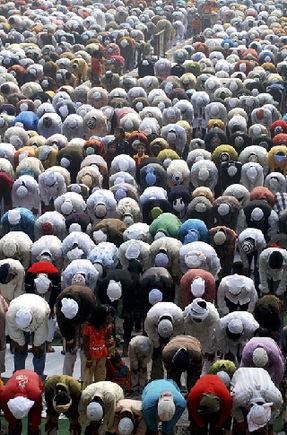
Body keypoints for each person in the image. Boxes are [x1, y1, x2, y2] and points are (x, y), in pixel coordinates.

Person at [55, 285, 97, 377]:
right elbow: (62, 324)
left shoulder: (88, 300)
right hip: (68, 324)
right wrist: (69, 339)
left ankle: (84, 379)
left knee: (84, 351)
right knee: (69, 351)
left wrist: (85, 337)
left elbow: (93, 317)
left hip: (85, 321)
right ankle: (66, 378)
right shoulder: (60, 303)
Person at [6, 293, 50, 378]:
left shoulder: (41, 314)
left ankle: (38, 376)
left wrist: (37, 345)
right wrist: (21, 343)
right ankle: (18, 375)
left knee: (39, 351)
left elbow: (41, 333)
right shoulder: (10, 315)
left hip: (39, 307)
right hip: (21, 304)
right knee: (19, 349)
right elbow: (13, 331)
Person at [231, 367, 282, 435]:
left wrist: (264, 423)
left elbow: (274, 410)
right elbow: (232, 407)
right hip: (242, 373)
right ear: (249, 409)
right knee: (239, 425)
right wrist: (240, 420)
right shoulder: (238, 397)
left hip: (262, 373)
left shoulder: (276, 399)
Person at [144, 301, 185, 380]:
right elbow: (150, 332)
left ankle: (172, 379)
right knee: (157, 355)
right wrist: (157, 345)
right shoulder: (151, 317)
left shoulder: (180, 317)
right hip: (156, 330)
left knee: (172, 354)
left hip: (173, 332)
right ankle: (156, 378)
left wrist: (170, 344)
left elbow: (178, 334)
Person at [1, 369, 42, 435]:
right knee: (13, 426)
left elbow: (37, 412)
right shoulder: (5, 396)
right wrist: (12, 422)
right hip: (17, 375)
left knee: (34, 425)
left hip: (33, 376)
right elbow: (7, 412)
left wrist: (34, 425)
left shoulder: (36, 395)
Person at [184, 298, 220, 374]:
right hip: (192, 335)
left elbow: (212, 336)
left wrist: (210, 351)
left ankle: (209, 380)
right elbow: (185, 331)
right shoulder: (186, 312)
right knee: (190, 360)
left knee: (210, 360)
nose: (197, 321)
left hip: (207, 336)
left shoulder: (213, 316)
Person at [82, 305, 109, 389]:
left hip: (102, 356)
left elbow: (105, 341)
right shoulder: (88, 327)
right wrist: (89, 358)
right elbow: (85, 343)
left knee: (101, 380)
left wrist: (107, 357)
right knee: (87, 381)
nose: (107, 318)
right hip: (91, 356)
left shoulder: (104, 327)